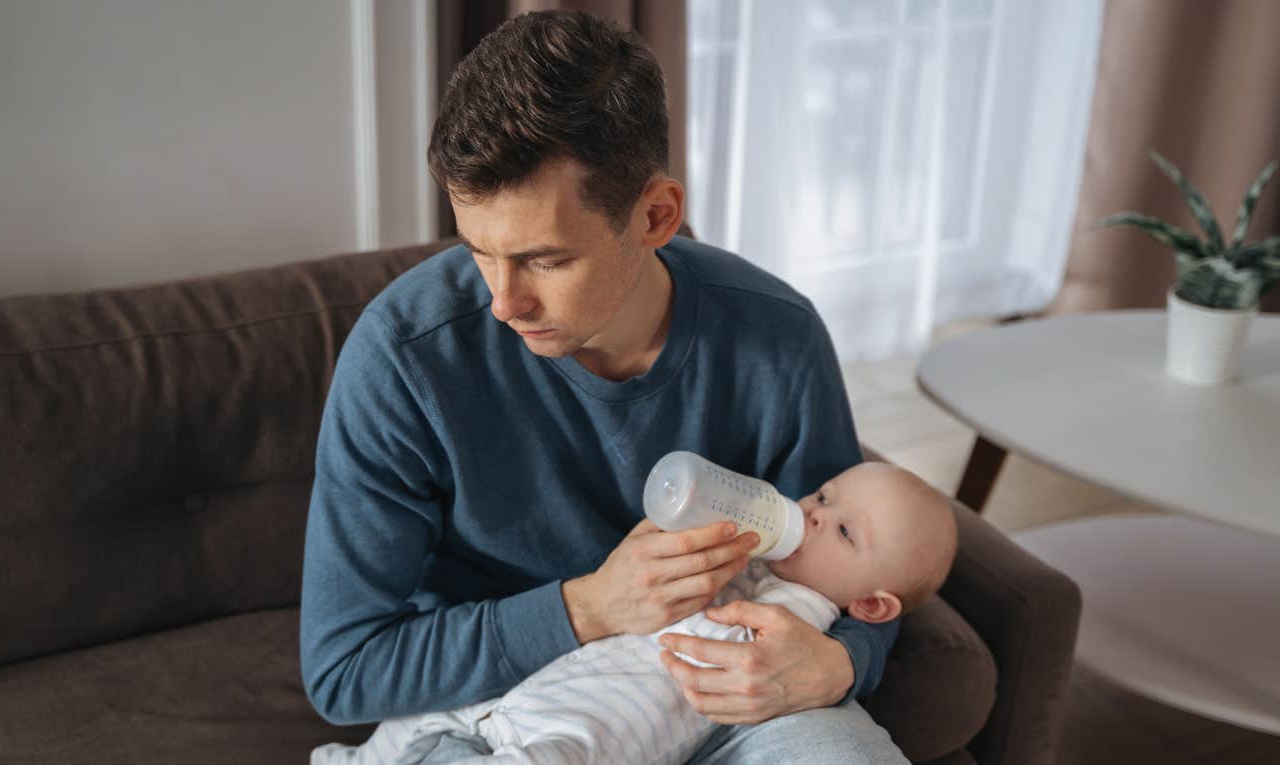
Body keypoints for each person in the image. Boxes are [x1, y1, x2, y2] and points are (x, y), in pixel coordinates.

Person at [300, 10, 910, 763]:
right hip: (492, 717)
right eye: (478, 250)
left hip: (727, 706)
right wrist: (588, 607)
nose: (503, 300)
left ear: (655, 215)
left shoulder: (774, 338)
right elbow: (344, 669)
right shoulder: (403, 360)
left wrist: (845, 659)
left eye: (546, 260)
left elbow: (858, 559)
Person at [310, 462, 958, 764]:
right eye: (821, 494)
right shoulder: (765, 548)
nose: (811, 511)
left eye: (841, 530)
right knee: (414, 727)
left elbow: (891, 576)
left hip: (606, 725)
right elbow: (343, 669)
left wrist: (845, 657)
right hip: (537, 677)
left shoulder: (803, 606)